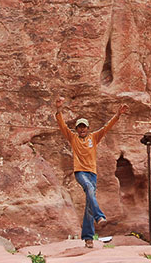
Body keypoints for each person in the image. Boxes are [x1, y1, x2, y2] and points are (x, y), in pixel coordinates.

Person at [55, 96, 128, 248]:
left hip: (92, 173)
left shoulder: (94, 138)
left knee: (89, 202)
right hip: (80, 172)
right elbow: (61, 124)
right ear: (77, 129)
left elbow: (107, 127)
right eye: (79, 127)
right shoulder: (73, 138)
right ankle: (99, 216)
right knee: (88, 188)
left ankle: (88, 238)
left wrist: (118, 115)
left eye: (84, 127)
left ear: (88, 128)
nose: (82, 129)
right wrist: (59, 109)